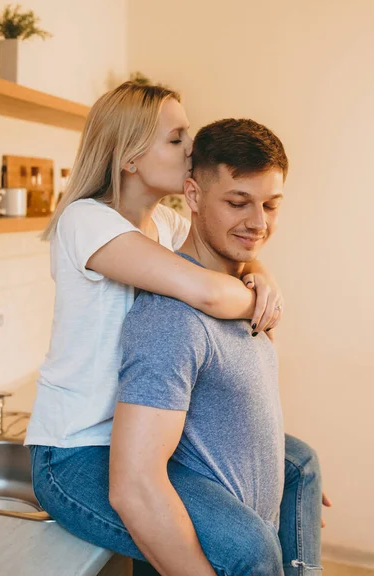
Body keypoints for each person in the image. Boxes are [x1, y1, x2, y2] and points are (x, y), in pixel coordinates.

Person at [25, 84, 328, 574]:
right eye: (176, 138)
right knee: (245, 546)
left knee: (296, 462)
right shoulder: (85, 221)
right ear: (128, 156)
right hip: (77, 451)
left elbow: (228, 256)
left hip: (139, 428)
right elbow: (208, 291)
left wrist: (260, 272)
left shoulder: (161, 225)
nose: (191, 148)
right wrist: (260, 296)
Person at [110, 118, 325, 576]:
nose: (258, 223)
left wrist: (278, 471)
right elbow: (136, 485)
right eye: (238, 202)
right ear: (192, 195)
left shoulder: (244, 293)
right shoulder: (171, 319)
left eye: (271, 204)